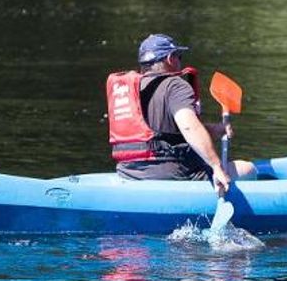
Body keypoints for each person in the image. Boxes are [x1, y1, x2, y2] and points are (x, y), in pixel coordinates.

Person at [106, 33, 254, 194]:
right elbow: (189, 127)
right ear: (170, 58)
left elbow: (160, 132)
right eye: (179, 56)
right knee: (248, 169)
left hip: (129, 173)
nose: (180, 61)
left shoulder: (131, 89)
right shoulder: (175, 85)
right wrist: (216, 166)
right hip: (172, 174)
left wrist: (214, 130)